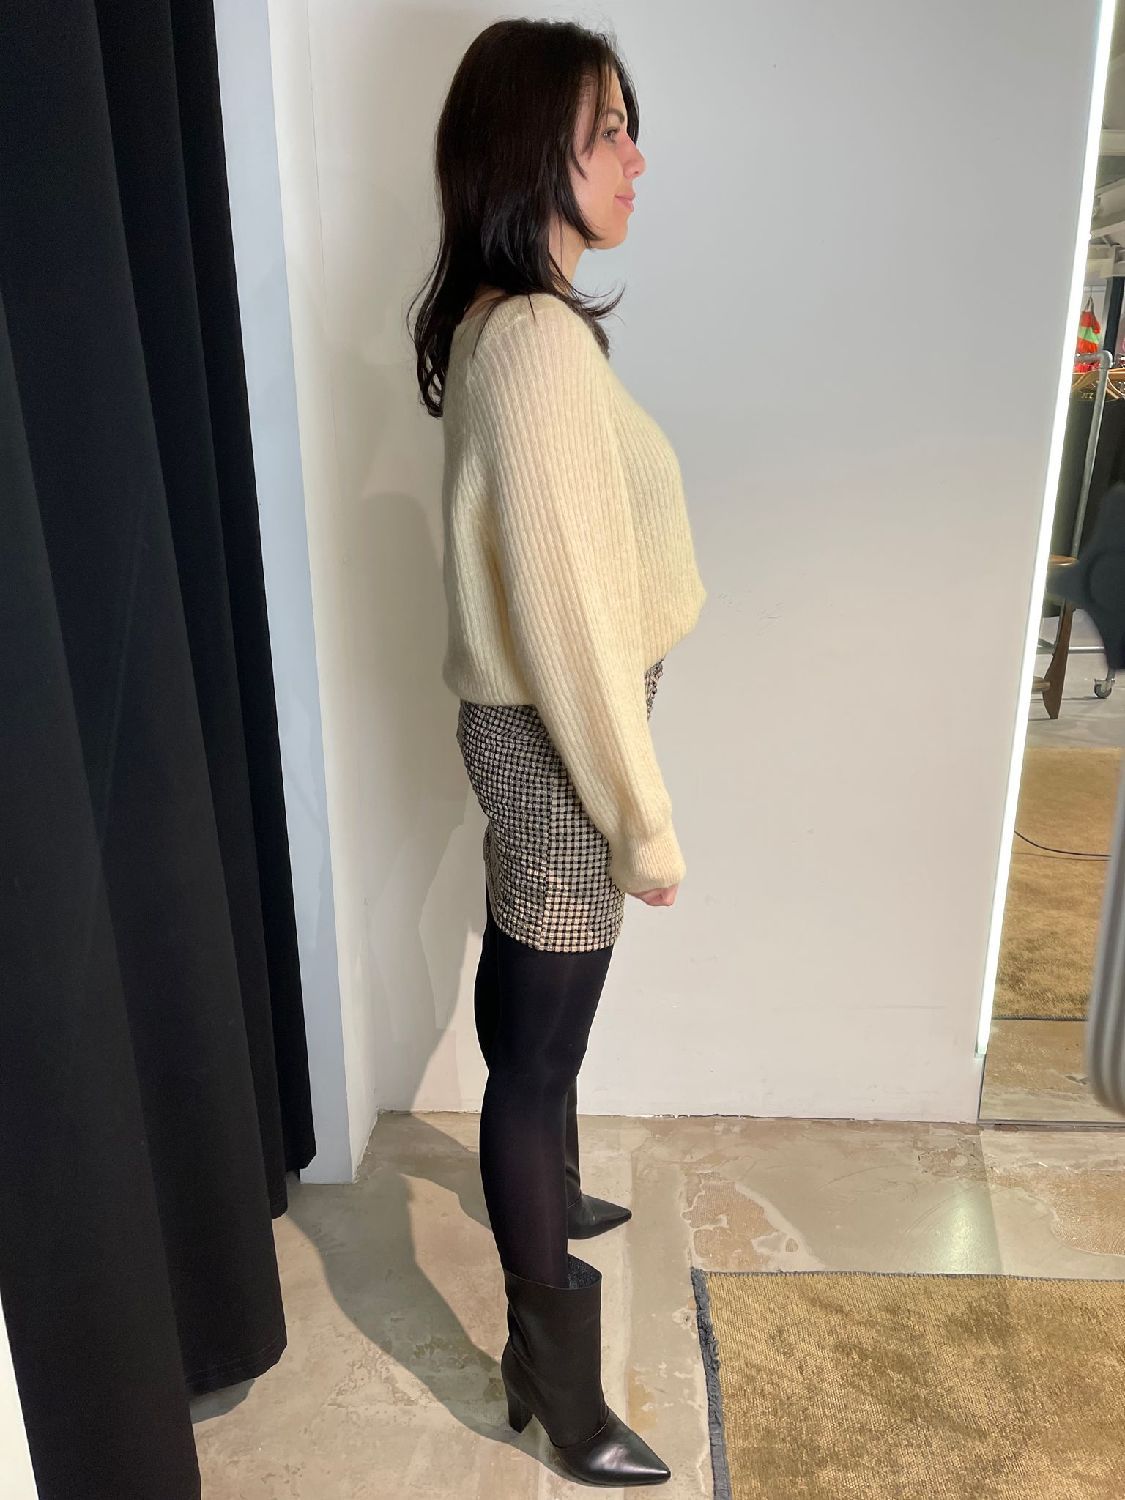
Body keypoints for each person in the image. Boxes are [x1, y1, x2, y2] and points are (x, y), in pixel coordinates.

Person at [409, 16, 706, 1488]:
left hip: (542, 735)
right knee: (533, 1058)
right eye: (606, 131)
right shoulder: (531, 341)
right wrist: (640, 822)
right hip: (561, 741)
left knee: (540, 1032)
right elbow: (575, 626)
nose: (636, 158)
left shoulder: (510, 321)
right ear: (534, 152)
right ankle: (554, 1377)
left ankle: (556, 1194)